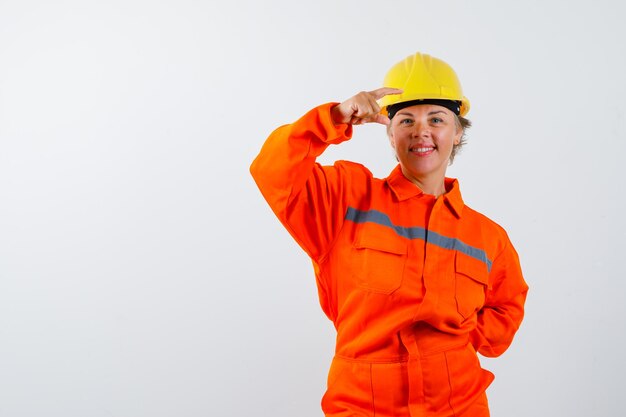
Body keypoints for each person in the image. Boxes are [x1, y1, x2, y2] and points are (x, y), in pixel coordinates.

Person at [250, 52, 528, 417]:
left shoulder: (487, 237)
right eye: (406, 119)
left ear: (458, 131)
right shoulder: (346, 199)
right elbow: (273, 170)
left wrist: (453, 343)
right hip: (363, 406)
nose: (421, 131)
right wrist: (334, 118)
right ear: (389, 132)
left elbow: (507, 309)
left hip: (458, 405)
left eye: (437, 118)